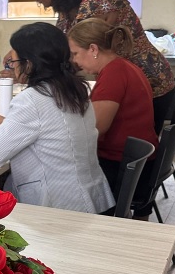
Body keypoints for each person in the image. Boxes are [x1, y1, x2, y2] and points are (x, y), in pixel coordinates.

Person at [0, 23, 113, 213]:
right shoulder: (75, 89)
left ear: (29, 64)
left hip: (55, 208)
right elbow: (57, 130)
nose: (13, 66)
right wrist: (8, 124)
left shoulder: (32, 99)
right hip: (90, 198)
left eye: (15, 60)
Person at [33, 0, 175, 133]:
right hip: (119, 83)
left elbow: (77, 52)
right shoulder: (67, 9)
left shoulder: (99, 1)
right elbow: (61, 49)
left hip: (148, 81)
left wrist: (36, 72)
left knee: (125, 143)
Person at [68, 19, 159, 214]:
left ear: (93, 49)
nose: (74, 61)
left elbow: (97, 128)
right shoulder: (124, 66)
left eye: (75, 53)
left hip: (121, 165)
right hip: (137, 161)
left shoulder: (113, 74)